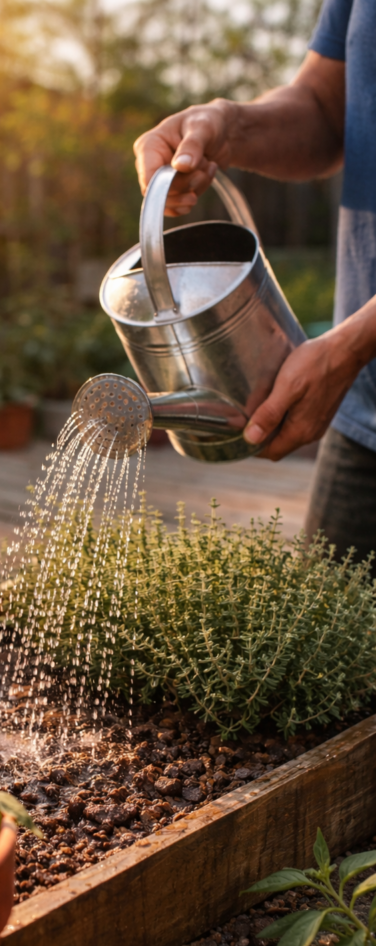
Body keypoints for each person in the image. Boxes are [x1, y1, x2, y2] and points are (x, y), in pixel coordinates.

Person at [132, 0, 376, 566]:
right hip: (366, 418)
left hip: (355, 366)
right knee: (319, 649)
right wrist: (224, 125)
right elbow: (323, 107)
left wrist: (352, 344)